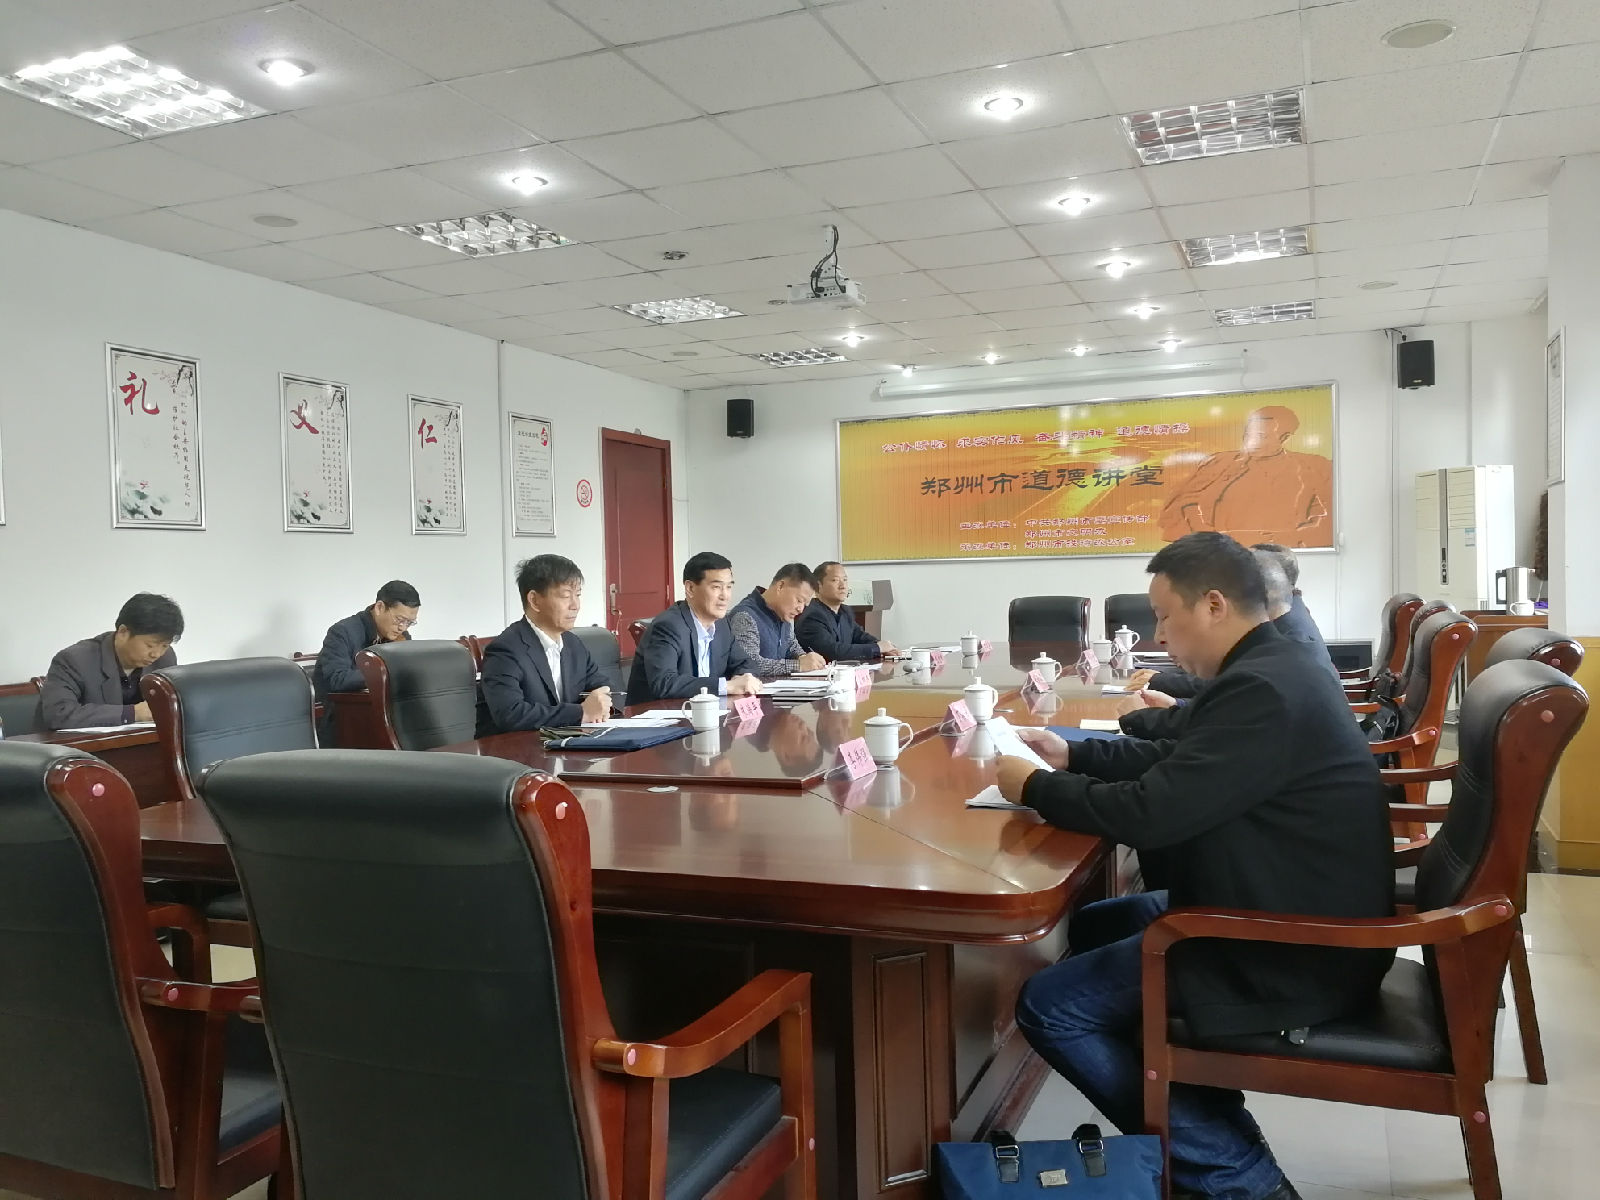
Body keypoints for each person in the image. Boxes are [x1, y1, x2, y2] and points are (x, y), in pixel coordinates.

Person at [992, 532, 1393, 1200]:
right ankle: (1198, 1108)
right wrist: (1072, 755)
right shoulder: (1271, 664)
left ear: (1212, 605)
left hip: (1291, 943)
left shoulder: (1263, 686)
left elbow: (1152, 812)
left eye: (1164, 617)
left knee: (1051, 1007)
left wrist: (1033, 786)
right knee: (1099, 923)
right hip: (1280, 897)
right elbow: (1182, 765)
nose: (1158, 636)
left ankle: (1238, 1176)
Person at [1157, 405, 1333, 547]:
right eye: (1248, 434)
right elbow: (1185, 500)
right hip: (1218, 555)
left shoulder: (1314, 467)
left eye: (1261, 436)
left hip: (1278, 555)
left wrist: (1272, 540)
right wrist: (1205, 535)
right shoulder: (1219, 463)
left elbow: (1327, 520)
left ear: (1284, 438)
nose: (1250, 442)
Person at [479, 555, 613, 732]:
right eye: (566, 596)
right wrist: (581, 712)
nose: (575, 605)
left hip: (565, 741)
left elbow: (601, 686)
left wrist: (602, 700)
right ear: (534, 600)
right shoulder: (505, 650)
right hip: (516, 746)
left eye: (578, 595)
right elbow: (511, 714)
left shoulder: (573, 644)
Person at [626, 552, 763, 704]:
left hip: (707, 712)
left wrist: (743, 678)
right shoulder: (668, 626)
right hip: (661, 714)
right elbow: (664, 683)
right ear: (690, 588)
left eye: (729, 587)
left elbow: (746, 663)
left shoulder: (722, 625)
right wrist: (727, 686)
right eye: (716, 587)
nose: (725, 596)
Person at [40, 593, 184, 729]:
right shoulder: (74, 660)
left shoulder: (165, 658)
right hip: (87, 746)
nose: (156, 654)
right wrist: (132, 713)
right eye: (150, 645)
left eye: (165, 645)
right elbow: (59, 714)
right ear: (123, 632)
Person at [312, 582, 419, 738]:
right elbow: (338, 679)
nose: (403, 627)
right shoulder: (342, 632)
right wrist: (382, 674)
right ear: (380, 607)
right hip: (340, 719)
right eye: (399, 619)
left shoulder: (401, 637)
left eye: (409, 622)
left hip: (381, 713)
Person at [727, 563, 828, 678]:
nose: (801, 609)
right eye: (799, 600)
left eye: (805, 605)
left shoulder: (783, 614)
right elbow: (749, 664)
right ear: (780, 586)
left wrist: (805, 657)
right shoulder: (745, 616)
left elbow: (791, 646)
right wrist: (798, 665)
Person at [796, 561, 897, 661]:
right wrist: (877, 648)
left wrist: (885, 647)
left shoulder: (845, 610)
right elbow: (833, 652)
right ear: (818, 585)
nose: (843, 586)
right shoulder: (812, 615)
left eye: (845, 580)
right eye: (835, 580)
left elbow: (860, 636)